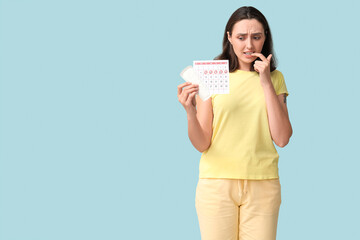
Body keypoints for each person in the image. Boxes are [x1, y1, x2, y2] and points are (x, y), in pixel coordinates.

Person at [177, 6, 292, 240]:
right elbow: (202, 143)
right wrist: (190, 110)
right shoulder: (211, 75)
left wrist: (266, 82)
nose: (249, 45)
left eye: (256, 37)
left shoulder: (276, 78)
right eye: (241, 37)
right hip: (217, 184)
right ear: (229, 37)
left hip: (263, 184)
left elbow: (282, 138)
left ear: (265, 38)